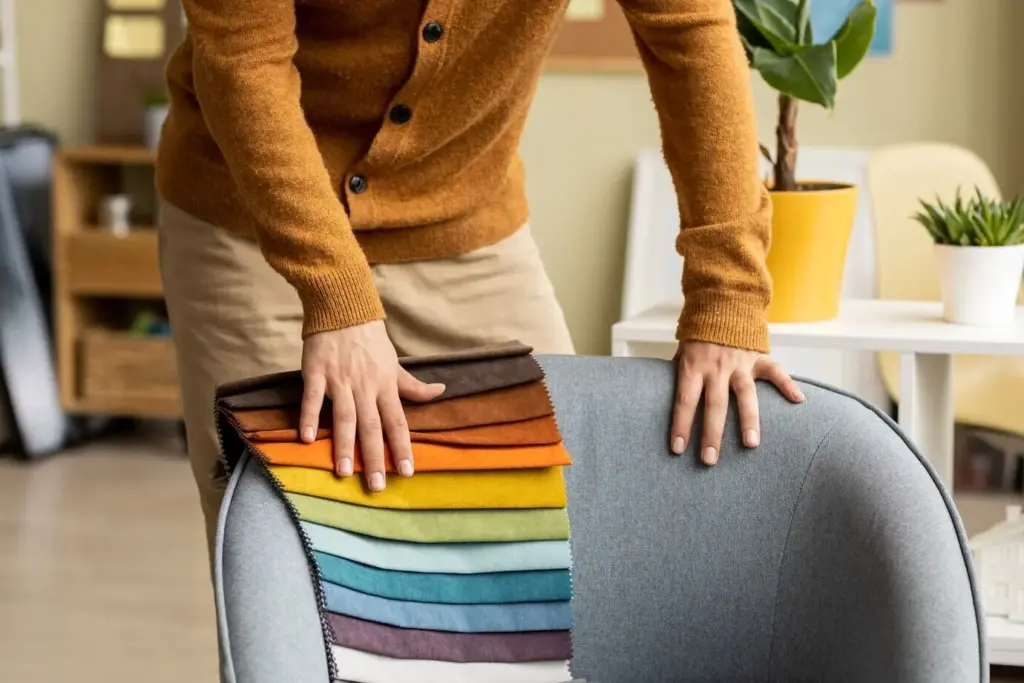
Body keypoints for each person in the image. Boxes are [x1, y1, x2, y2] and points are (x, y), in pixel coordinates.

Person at [157, 0, 805, 551]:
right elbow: (243, 58)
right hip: (254, 220)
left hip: (463, 214)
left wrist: (727, 295)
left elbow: (690, 31)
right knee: (282, 545)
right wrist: (335, 295)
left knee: (558, 521)